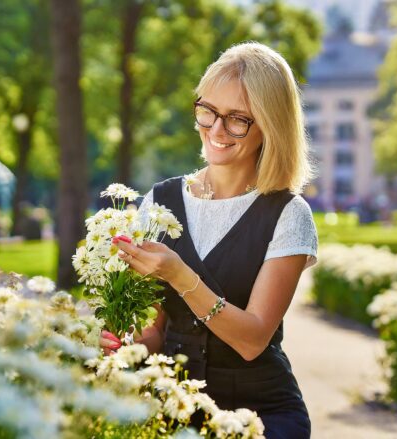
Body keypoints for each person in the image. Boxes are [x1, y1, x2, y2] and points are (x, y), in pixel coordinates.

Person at [104, 42, 318, 438]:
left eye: (238, 119)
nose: (215, 131)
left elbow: (253, 340)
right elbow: (155, 331)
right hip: (172, 410)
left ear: (270, 124)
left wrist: (181, 276)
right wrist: (124, 345)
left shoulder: (287, 213)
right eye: (207, 111)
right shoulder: (160, 201)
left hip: (260, 417)